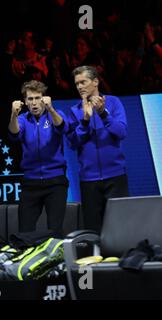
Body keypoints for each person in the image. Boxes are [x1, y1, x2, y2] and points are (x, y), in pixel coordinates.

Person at [67, 65, 129, 232]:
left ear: (95, 82)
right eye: (76, 83)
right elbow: (73, 143)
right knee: (93, 229)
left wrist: (103, 113)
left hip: (116, 176)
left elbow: (121, 132)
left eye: (83, 82)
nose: (79, 87)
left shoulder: (113, 102)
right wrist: (85, 121)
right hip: (89, 180)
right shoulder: (75, 111)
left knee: (120, 226)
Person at [8, 80, 69, 236]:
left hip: (55, 181)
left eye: (37, 98)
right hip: (31, 183)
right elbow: (14, 134)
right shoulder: (22, 119)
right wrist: (14, 114)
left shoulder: (56, 114)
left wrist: (51, 109)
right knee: (25, 230)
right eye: (30, 99)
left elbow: (62, 128)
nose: (34, 103)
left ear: (44, 99)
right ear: (25, 101)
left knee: (55, 231)